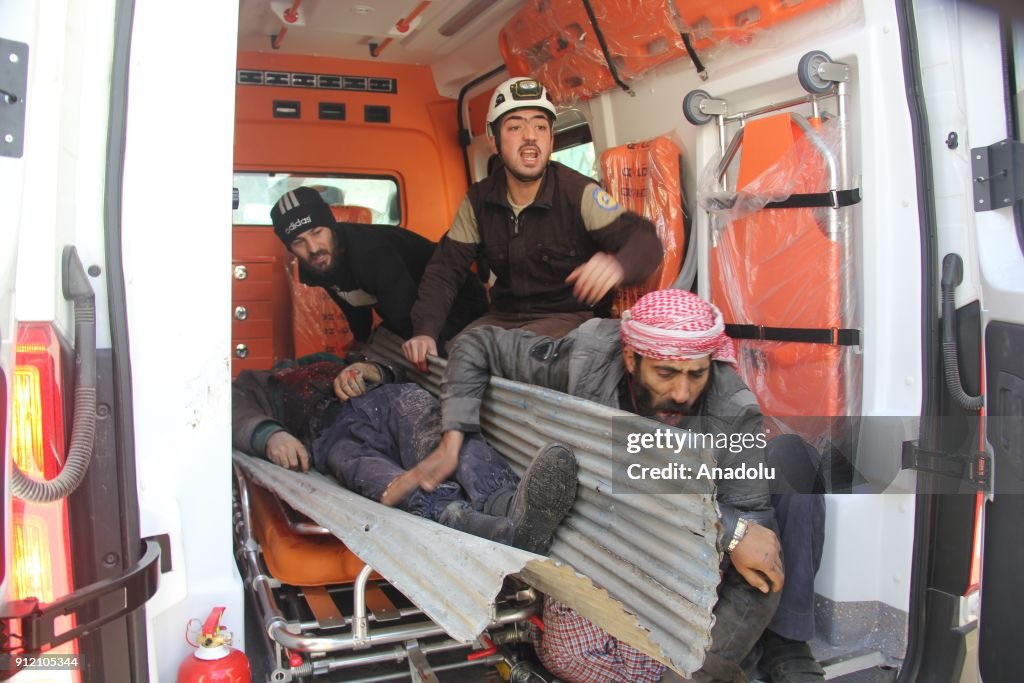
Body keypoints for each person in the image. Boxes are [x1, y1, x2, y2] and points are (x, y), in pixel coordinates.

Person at [389, 289, 803, 682]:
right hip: (605, 542)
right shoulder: (582, 360)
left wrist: (691, 676)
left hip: (671, 564)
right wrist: (453, 439)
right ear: (629, 358)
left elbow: (759, 566)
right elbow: (476, 344)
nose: (682, 392)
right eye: (666, 373)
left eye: (696, 374)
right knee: (570, 653)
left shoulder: (732, 412)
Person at [403, 77, 664, 367]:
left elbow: (644, 240)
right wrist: (424, 331)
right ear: (493, 140)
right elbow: (445, 269)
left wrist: (618, 264)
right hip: (504, 316)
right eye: (515, 126)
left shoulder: (578, 193)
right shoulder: (479, 200)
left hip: (569, 318)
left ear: (551, 139)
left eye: (541, 127)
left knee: (511, 363)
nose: (530, 136)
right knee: (455, 355)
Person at [232, 354, 577, 554]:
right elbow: (229, 407)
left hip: (386, 400)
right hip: (331, 433)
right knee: (378, 478)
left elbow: (390, 368)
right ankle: (493, 530)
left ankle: (509, 506)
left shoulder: (334, 355)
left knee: (442, 439)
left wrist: (370, 369)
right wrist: (269, 435)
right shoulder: (258, 381)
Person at [269, 186, 488, 348]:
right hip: (408, 308)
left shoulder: (371, 253)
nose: (313, 248)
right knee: (382, 347)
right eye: (299, 242)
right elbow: (349, 300)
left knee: (423, 353)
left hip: (456, 299)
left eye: (317, 232)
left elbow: (406, 316)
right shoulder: (320, 261)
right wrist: (361, 340)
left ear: (331, 227)